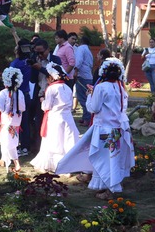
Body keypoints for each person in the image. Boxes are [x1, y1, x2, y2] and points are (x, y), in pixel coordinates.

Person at [56, 57, 134, 200]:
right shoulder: (121, 87)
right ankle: (106, 184)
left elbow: (94, 108)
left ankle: (110, 189)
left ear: (103, 73)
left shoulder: (101, 87)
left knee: (104, 158)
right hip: (117, 128)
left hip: (104, 128)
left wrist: (90, 96)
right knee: (111, 158)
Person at [31, 64, 80, 173]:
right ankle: (67, 166)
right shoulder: (67, 88)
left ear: (51, 78)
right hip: (68, 118)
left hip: (55, 118)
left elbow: (47, 106)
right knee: (66, 142)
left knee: (53, 142)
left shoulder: (51, 88)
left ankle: (51, 165)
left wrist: (42, 101)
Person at [21, 38, 62, 155]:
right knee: (38, 121)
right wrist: (33, 67)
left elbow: (57, 75)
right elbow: (33, 80)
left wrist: (41, 68)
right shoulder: (35, 59)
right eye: (37, 52)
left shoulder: (56, 60)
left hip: (53, 96)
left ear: (48, 50)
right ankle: (37, 147)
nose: (39, 55)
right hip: (40, 95)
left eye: (41, 52)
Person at [0, 67, 26, 174]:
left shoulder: (3, 92)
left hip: (6, 120)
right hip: (16, 121)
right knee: (11, 140)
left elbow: (1, 108)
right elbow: (22, 108)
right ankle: (3, 160)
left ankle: (15, 163)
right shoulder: (20, 92)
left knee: (5, 141)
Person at [69, 33, 94, 125]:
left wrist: (75, 70)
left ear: (81, 41)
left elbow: (78, 61)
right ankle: (85, 117)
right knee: (86, 97)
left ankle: (87, 119)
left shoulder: (81, 49)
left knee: (82, 98)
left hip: (82, 75)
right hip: (88, 75)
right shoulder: (88, 50)